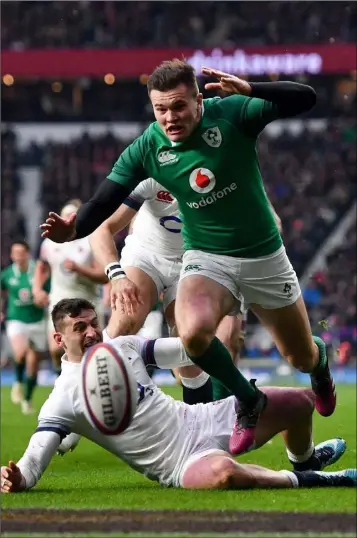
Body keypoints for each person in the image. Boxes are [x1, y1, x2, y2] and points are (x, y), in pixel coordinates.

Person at [40, 60, 336, 455]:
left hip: (263, 256)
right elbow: (103, 201)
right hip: (205, 257)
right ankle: (248, 400)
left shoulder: (231, 113)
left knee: (298, 356)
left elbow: (307, 98)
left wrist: (250, 88)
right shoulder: (149, 146)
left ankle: (319, 364)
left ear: (199, 100)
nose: (169, 117)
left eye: (178, 106)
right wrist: (72, 230)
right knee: (193, 333)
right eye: (160, 109)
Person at [1, 298, 354, 493]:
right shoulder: (61, 399)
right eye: (80, 328)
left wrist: (206, 331)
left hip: (203, 418)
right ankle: (317, 478)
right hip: (178, 462)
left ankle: (305, 460)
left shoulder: (123, 346)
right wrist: (17, 478)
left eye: (94, 322)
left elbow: (188, 351)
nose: (93, 332)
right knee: (224, 476)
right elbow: (33, 464)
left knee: (301, 402)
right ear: (59, 340)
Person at [89, 177, 249, 403]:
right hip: (146, 255)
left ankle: (202, 425)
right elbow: (102, 228)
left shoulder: (222, 178)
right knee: (124, 322)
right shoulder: (151, 173)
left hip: (193, 260)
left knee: (190, 349)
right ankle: (82, 400)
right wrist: (116, 276)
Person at [33, 200, 108, 375]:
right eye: (65, 216)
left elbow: (103, 276)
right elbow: (41, 268)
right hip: (59, 299)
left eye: (72, 216)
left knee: (89, 351)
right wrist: (37, 289)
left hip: (87, 303)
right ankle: (65, 378)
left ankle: (86, 387)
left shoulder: (91, 241)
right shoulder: (50, 243)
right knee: (56, 349)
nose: (68, 220)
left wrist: (79, 269)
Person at [0, 240, 48, 414]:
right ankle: (18, 382)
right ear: (12, 255)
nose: (18, 256)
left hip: (37, 320)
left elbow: (47, 291)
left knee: (33, 363)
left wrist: (43, 298)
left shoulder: (38, 271)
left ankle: (27, 399)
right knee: (20, 353)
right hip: (16, 319)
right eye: (15, 253)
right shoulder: (6, 274)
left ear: (27, 254)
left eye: (21, 252)